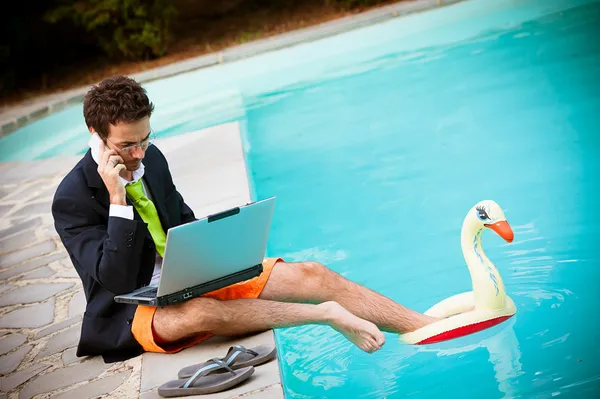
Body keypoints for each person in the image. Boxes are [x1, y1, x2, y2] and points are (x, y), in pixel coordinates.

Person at [52, 75, 438, 363]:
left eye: (145, 139)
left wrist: (216, 254)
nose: (138, 153)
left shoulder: (152, 158)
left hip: (186, 277)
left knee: (313, 274)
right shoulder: (72, 199)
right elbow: (115, 279)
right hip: (131, 310)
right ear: (96, 134)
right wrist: (118, 198)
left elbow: (182, 223)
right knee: (201, 315)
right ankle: (325, 315)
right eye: (126, 145)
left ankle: (427, 326)